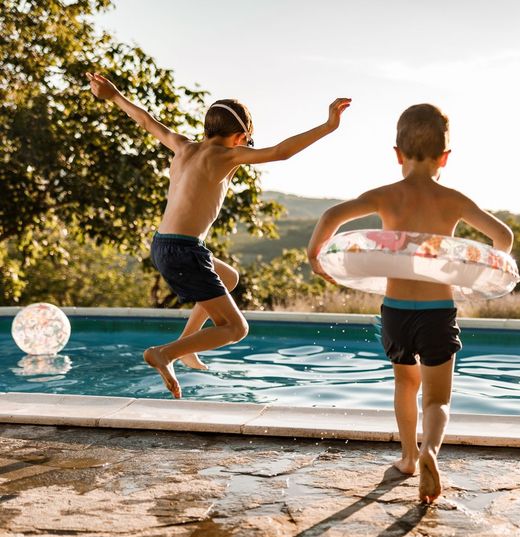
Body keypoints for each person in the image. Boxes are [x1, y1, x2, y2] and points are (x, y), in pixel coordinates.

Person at [87, 72, 350, 397]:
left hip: (163, 244)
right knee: (236, 328)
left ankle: (188, 346)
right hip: (184, 250)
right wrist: (328, 126)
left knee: (228, 276)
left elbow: (146, 120)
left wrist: (113, 95)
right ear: (240, 136)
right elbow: (281, 151)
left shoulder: (182, 145)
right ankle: (166, 353)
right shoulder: (227, 156)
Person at [307, 104, 513, 503]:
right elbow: (501, 236)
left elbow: (333, 214)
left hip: (396, 311)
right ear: (445, 158)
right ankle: (430, 452)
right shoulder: (453, 199)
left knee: (405, 385)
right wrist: (475, 277)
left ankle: (406, 457)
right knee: (438, 398)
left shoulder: (387, 195)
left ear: (397, 153)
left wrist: (317, 258)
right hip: (439, 310)